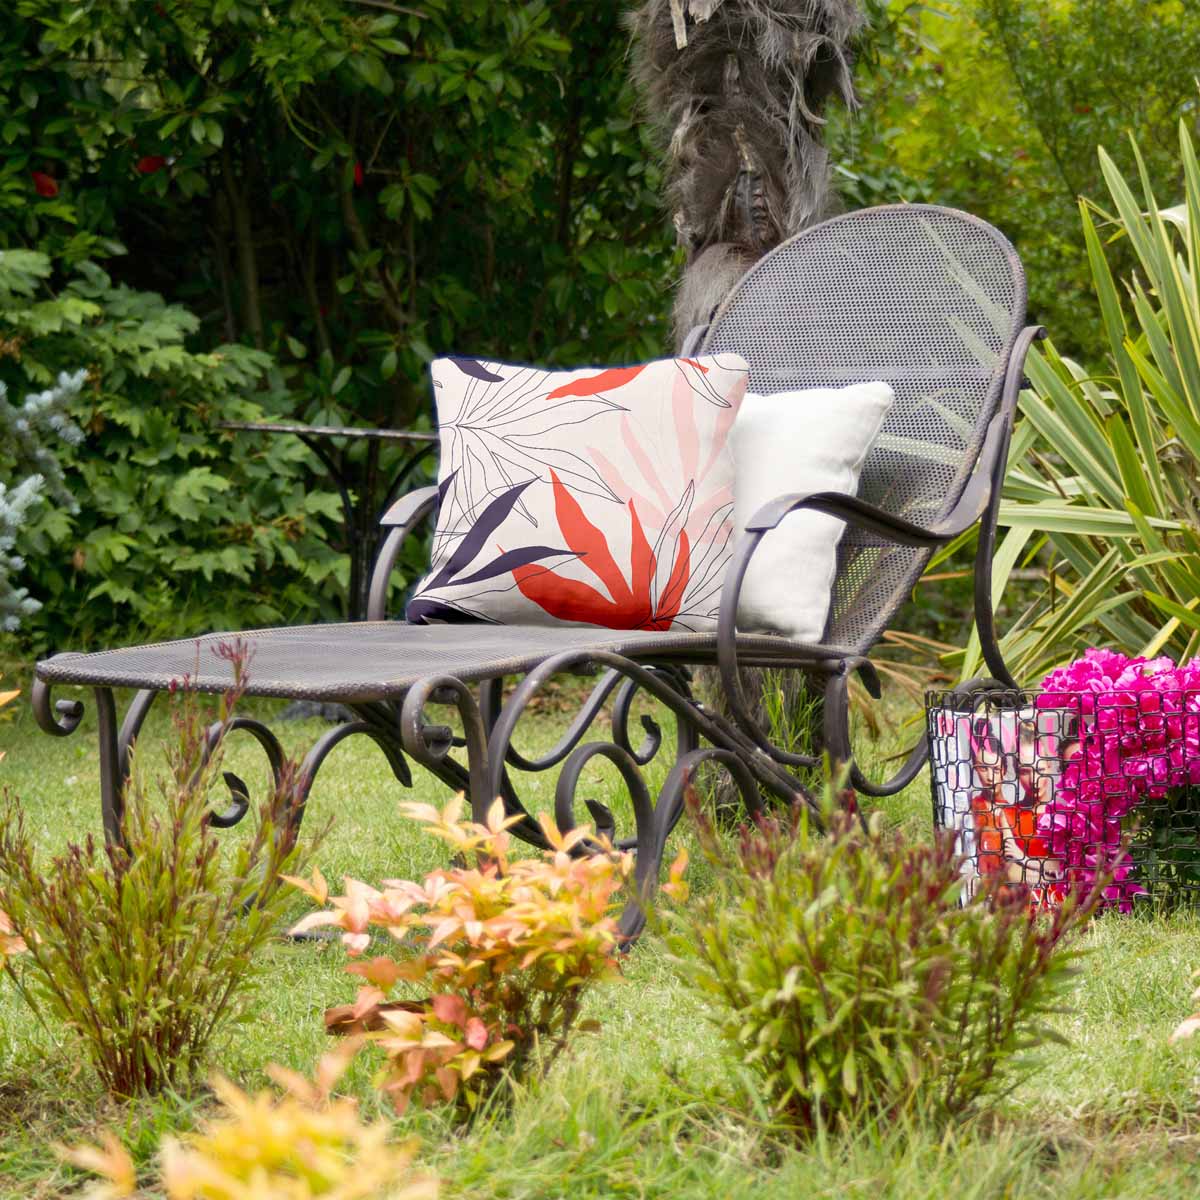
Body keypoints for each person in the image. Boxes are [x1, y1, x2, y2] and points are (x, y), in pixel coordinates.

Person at [967, 711, 1068, 904]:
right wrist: (1046, 870)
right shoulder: (1006, 815)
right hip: (1020, 911)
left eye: (1040, 769)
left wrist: (1025, 859)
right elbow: (1008, 873)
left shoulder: (1064, 816)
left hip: (1061, 909)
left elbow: (1069, 871)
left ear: (1050, 766)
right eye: (1025, 771)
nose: (1034, 780)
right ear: (1014, 771)